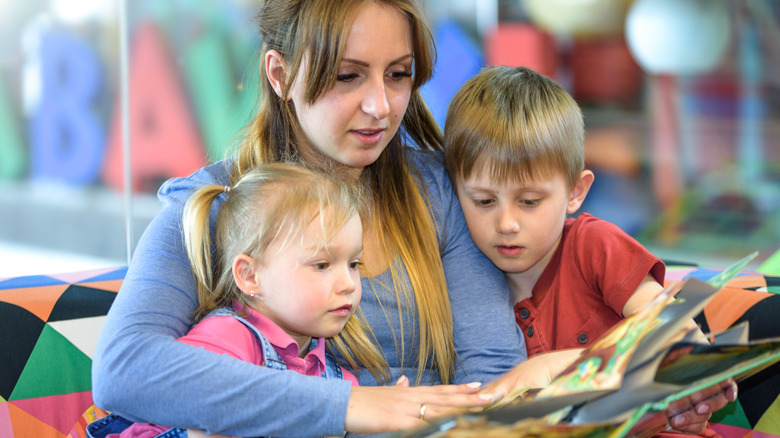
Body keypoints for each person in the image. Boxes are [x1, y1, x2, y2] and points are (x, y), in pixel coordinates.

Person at [92, 1, 526, 437]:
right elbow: (124, 368)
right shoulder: (216, 205)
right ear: (279, 75)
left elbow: (495, 374)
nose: (380, 106)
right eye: (347, 76)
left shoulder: (439, 191)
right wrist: (348, 406)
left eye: (398, 74)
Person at [443, 65, 736, 435]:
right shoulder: (465, 278)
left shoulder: (594, 245)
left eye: (529, 201)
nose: (506, 223)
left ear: (575, 192)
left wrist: (552, 367)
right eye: (484, 201)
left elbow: (680, 340)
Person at [90, 163, 384, 437]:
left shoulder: (335, 377)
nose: (348, 284)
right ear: (250, 276)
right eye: (321, 265)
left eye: (354, 264)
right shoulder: (226, 339)